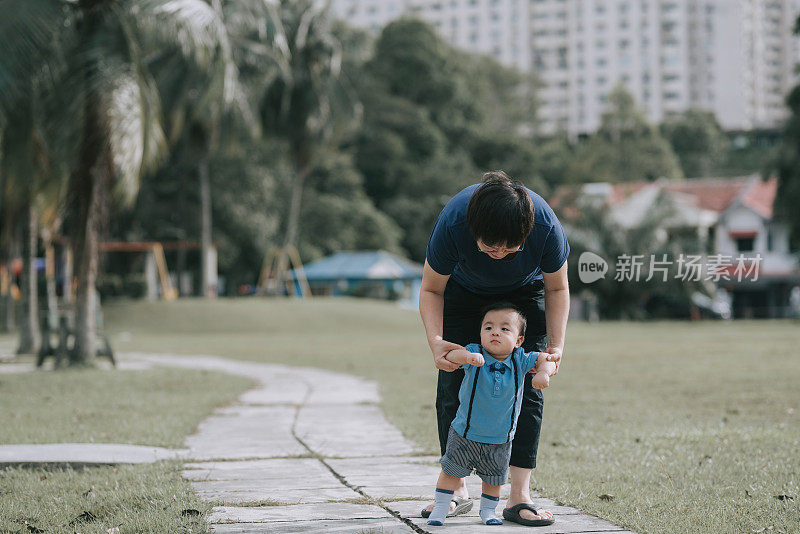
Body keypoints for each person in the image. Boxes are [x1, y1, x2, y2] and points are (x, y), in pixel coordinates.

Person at [419, 171, 569, 526]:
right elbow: (431, 289)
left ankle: (518, 497)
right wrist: (436, 342)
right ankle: (454, 490)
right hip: (464, 294)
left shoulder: (545, 226)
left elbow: (558, 289)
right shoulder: (455, 222)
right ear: (474, 231)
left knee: (528, 391)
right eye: (490, 246)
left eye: (509, 247)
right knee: (453, 385)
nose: (499, 253)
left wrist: (555, 347)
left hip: (522, 295)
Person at [427, 303, 556, 526]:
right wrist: (466, 357)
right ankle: (440, 508)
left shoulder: (520, 359)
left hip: (500, 439)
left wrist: (543, 373)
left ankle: (488, 511)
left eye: (505, 329)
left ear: (518, 341)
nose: (495, 332)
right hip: (465, 433)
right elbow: (453, 354)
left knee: (493, 479)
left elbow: (546, 359)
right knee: (451, 471)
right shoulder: (475, 352)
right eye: (488, 328)